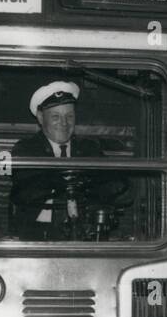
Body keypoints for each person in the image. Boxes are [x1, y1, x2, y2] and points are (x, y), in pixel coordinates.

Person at [11, 79, 122, 240]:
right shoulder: (26, 149)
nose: (64, 123)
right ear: (41, 118)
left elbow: (110, 187)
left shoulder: (89, 149)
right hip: (38, 238)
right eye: (56, 116)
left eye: (69, 116)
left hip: (85, 234)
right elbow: (28, 189)